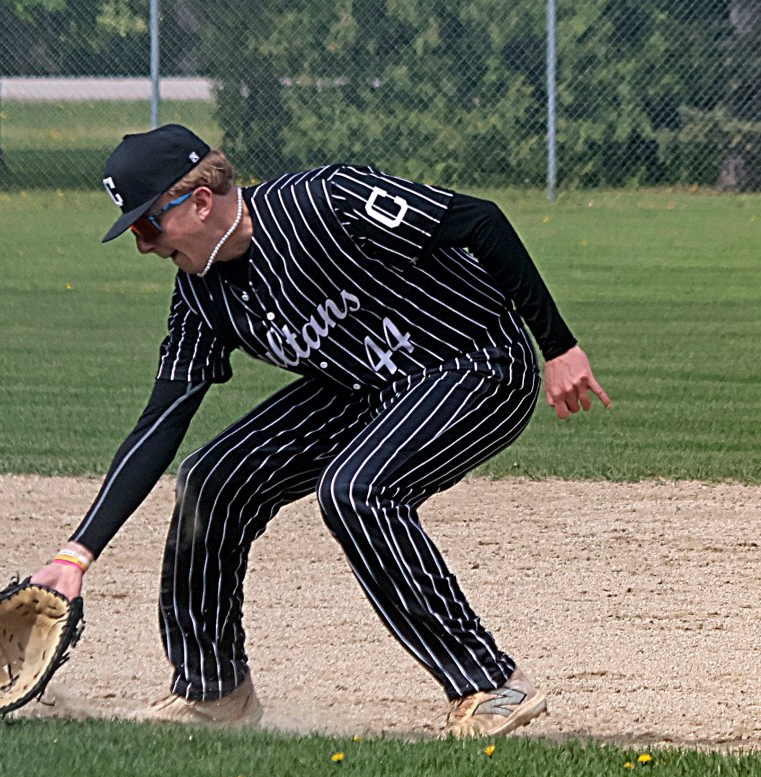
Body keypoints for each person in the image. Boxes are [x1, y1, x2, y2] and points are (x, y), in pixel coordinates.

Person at [31, 124, 611, 737]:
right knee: (212, 478)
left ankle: (489, 685)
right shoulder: (202, 297)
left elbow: (480, 221)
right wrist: (75, 556)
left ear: (200, 201)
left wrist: (559, 347)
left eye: (147, 226)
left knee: (355, 489)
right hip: (365, 390)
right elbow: (162, 420)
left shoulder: (326, 201)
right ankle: (214, 692)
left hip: (475, 363)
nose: (144, 246)